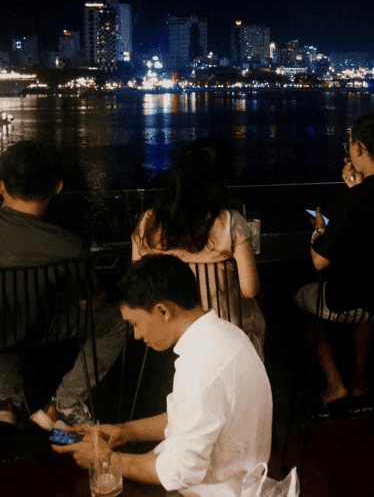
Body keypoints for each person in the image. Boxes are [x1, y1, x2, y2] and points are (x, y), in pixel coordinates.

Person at [53, 253, 273, 495]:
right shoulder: (225, 334)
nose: (136, 335)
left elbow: (181, 472)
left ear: (163, 311)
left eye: (135, 323)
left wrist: (107, 459)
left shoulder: (200, 368)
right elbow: (189, 418)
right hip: (236, 475)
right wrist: (124, 431)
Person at [294, 112, 374, 412]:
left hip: (348, 300)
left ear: (359, 149)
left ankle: (335, 384)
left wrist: (318, 232)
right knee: (369, 309)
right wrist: (357, 189)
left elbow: (319, 263)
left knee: (304, 309)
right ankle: (360, 382)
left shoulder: (353, 202)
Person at [0, 141, 125, 430]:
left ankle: (6, 403)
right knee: (118, 320)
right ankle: (64, 403)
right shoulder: (69, 246)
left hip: (4, 330)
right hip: (44, 329)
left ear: (2, 186)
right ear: (57, 187)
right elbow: (91, 304)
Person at [131, 139, 265, 358]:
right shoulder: (230, 222)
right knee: (257, 320)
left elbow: (138, 282)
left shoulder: (149, 223)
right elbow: (250, 289)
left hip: (171, 334)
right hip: (227, 331)